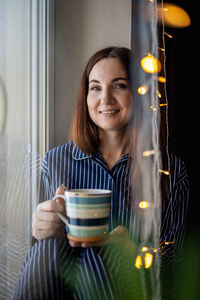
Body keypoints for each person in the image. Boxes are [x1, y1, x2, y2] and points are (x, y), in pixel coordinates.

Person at [13, 47, 189, 300]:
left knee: (99, 251)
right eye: (95, 88)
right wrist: (41, 228)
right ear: (85, 97)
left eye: (119, 86)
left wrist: (130, 251)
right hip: (63, 286)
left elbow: (177, 269)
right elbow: (39, 257)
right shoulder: (57, 161)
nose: (105, 99)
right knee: (49, 246)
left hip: (134, 286)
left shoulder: (170, 171)